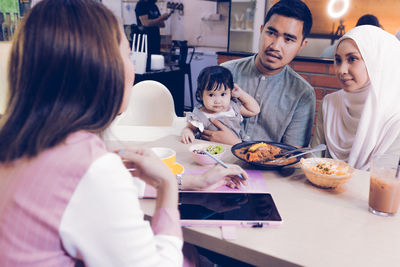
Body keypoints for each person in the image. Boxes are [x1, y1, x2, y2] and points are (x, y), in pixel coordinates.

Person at [0, 0, 247, 266]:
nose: (132, 71)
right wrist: (166, 187)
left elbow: (85, 192)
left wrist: (191, 182)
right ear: (102, 71)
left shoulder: (21, 141)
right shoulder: (92, 169)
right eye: (128, 56)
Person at [205, 0, 315, 147]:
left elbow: (292, 156)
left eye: (288, 39)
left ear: (302, 45)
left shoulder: (303, 94)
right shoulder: (225, 72)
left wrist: (238, 144)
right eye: (271, 33)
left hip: (267, 170)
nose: (275, 46)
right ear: (261, 30)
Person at [311, 25, 400, 170]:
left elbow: (383, 178)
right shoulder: (330, 103)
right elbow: (313, 158)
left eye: (352, 59)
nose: (341, 70)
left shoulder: (394, 119)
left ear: (375, 62)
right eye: (338, 60)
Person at [181, 66, 260, 144]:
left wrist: (241, 94)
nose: (218, 101)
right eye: (211, 95)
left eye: (223, 94)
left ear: (230, 92)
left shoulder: (233, 107)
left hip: (234, 150)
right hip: (210, 152)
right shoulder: (200, 116)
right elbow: (189, 129)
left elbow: (254, 110)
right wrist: (187, 132)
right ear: (201, 95)